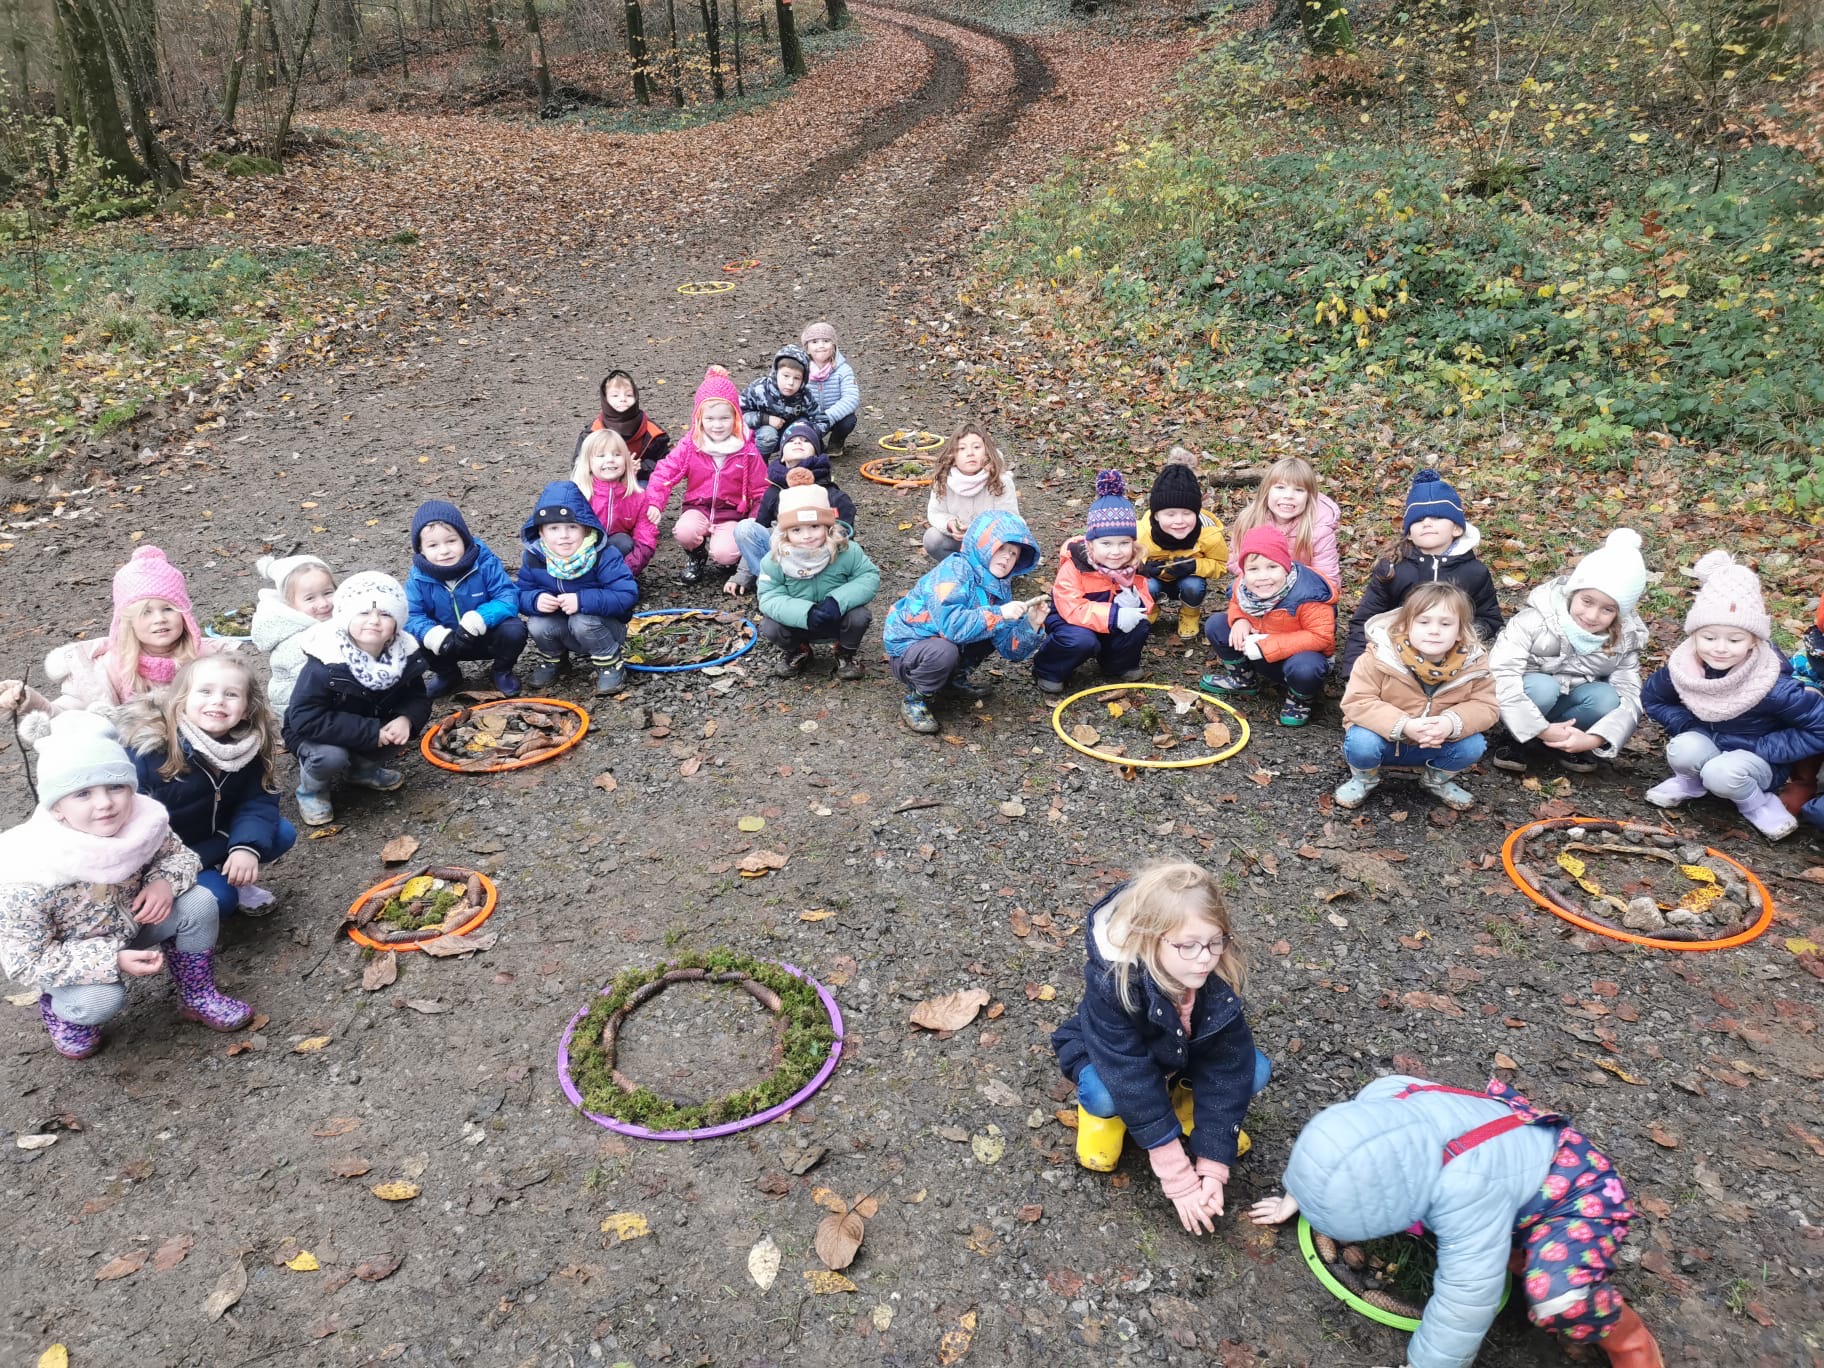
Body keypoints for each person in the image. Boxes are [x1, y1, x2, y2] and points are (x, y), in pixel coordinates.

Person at [1248, 1074, 1665, 1368]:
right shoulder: (1384, 1098)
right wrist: (1298, 1195)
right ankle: (1518, 1249)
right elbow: (1340, 1151)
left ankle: (1630, 1341)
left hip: (1575, 1195)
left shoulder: (1465, 1192)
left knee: (1556, 1295)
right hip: (1510, 1151)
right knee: (1485, 1237)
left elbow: (1465, 1300)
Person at [0, 712, 252, 1059]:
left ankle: (197, 993)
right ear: (57, 808)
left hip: (136, 921)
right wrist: (111, 959)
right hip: (77, 953)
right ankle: (64, 1012)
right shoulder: (29, 872)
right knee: (102, 1000)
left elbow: (180, 857)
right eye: (83, 793)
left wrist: (162, 881)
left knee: (199, 902)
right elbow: (24, 961)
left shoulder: (142, 822)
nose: (105, 803)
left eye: (116, 786)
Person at [1052, 861, 1271, 1235]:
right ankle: (1102, 1121)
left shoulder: (1215, 979)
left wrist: (1214, 1161)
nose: (1205, 956)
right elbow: (1129, 1074)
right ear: (1148, 939)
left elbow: (1227, 1068)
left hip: (1176, 1056)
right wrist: (1178, 1176)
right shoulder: (1114, 984)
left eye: (1215, 941)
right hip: (1116, 1063)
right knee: (1107, 1095)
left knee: (1254, 1069)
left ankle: (1185, 1105)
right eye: (1188, 945)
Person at [1639, 550, 1824, 841]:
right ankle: (1689, 782)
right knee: (1683, 748)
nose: (1720, 648)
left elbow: (1818, 727)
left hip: (1757, 760)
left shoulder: (1772, 683)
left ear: (1753, 640)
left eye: (1735, 639)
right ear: (1694, 636)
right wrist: (1687, 726)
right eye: (1709, 637)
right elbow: (1653, 697)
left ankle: (1758, 803)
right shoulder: (1684, 669)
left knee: (1722, 774)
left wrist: (1765, 747)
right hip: (1709, 743)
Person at [1, 546, 239, 738]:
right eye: (145, 612)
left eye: (168, 608)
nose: (159, 619)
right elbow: (68, 716)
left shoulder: (210, 660)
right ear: (127, 621)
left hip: (201, 759)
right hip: (131, 770)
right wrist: (31, 701)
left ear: (184, 614)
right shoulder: (108, 667)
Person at [123, 655, 294, 919]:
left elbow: (258, 799)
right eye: (205, 691)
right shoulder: (150, 753)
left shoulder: (248, 746)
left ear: (247, 708)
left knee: (281, 832)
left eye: (232, 694)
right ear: (181, 700)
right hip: (172, 855)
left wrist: (244, 847)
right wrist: (161, 874)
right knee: (219, 901)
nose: (218, 701)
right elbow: (132, 827)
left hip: (219, 838)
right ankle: (192, 899)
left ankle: (235, 875)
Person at [1488, 529, 1649, 774]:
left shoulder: (1625, 639)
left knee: (1606, 697)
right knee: (1544, 687)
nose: (1592, 616)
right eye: (1587, 601)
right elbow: (1500, 673)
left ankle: (1566, 742)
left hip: (1572, 705)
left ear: (1620, 613)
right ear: (1573, 592)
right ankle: (1519, 738)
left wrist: (1596, 738)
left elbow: (1630, 695)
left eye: (1607, 610)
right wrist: (1537, 727)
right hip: (1522, 704)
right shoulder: (1533, 621)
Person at [282, 572, 431, 827]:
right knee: (332, 756)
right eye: (363, 613)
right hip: (315, 734)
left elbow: (417, 696)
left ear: (397, 622)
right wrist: (372, 731)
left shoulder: (403, 655)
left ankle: (362, 770)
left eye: (385, 614)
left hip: (369, 723)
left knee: (398, 733)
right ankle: (312, 791)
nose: (374, 620)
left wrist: (406, 718)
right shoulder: (326, 661)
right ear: (345, 616)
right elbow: (304, 718)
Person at [1337, 581, 1499, 811]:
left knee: (1473, 745)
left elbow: (1486, 706)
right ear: (1405, 626)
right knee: (1361, 742)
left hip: (1436, 742)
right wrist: (1404, 725)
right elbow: (1358, 701)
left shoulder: (1475, 664)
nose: (1434, 630)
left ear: (1460, 631)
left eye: (1445, 623)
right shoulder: (1378, 657)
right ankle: (1364, 778)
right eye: (1424, 622)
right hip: (1385, 740)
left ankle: (1435, 780)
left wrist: (1449, 723)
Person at [883, 510, 1048, 734]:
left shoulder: (999, 587)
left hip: (945, 641)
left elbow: (1010, 651)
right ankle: (917, 698)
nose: (1007, 557)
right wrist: (999, 614)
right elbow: (951, 627)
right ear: (983, 544)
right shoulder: (954, 569)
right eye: (1001, 548)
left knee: (989, 627)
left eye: (1014, 553)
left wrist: (1031, 624)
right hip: (910, 647)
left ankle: (952, 680)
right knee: (945, 650)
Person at [1339, 468, 1502, 678]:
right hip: (1395, 656)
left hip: (1453, 658)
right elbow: (1365, 620)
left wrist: (1459, 633)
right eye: (1418, 519)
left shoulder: (1474, 572)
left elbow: (1490, 618)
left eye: (1436, 517)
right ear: (1408, 532)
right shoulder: (1393, 569)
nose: (1426, 523)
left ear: (1457, 529)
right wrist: (1353, 673)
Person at [1199, 525, 1336, 727]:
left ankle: (1299, 699)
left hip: (1294, 660)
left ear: (1286, 566)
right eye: (1253, 569)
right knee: (1217, 624)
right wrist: (1239, 620)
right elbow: (1236, 603)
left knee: (1307, 667)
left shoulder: (1310, 594)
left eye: (1272, 567)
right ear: (1244, 571)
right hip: (1257, 651)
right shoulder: (1243, 584)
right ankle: (1243, 679)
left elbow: (1321, 637)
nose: (1263, 576)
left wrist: (1268, 645)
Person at [645, 367, 768, 585]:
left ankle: (732, 559)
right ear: (699, 418)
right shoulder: (691, 445)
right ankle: (696, 555)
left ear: (736, 417)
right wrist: (655, 502)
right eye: (710, 418)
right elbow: (665, 471)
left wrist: (753, 520)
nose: (717, 425)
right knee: (684, 530)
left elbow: (761, 490)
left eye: (724, 418)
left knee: (724, 553)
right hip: (698, 508)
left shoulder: (747, 451)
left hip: (731, 514)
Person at [1032, 471, 1152, 694]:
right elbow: (1072, 608)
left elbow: (1148, 598)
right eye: (1106, 543)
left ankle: (1116, 663)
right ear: (1091, 544)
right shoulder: (1075, 565)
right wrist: (1115, 615)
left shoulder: (1135, 565)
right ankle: (1048, 668)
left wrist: (1137, 601)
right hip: (1070, 621)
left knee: (1140, 625)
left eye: (1124, 543)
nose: (1116, 552)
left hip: (1108, 621)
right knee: (1082, 640)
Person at [516, 480, 640, 694]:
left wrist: (582, 600)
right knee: (536, 622)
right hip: (564, 628)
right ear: (541, 532)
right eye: (554, 528)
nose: (563, 535)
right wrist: (535, 600)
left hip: (605, 627)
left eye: (572, 527)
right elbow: (519, 594)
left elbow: (627, 595)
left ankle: (610, 664)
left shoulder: (603, 554)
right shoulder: (535, 557)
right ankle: (556, 659)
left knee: (582, 619)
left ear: (585, 528)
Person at [755, 471, 880, 681]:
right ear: (785, 533)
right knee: (770, 625)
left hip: (835, 616)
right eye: (796, 529)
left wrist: (836, 601)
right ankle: (798, 650)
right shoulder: (774, 559)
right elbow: (768, 597)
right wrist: (805, 612)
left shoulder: (847, 550)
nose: (807, 535)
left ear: (828, 526)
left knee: (859, 616)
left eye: (814, 526)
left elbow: (868, 576)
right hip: (798, 622)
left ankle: (845, 652)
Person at [404, 500, 528, 699]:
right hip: (446, 642)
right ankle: (448, 674)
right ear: (421, 549)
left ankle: (501, 670)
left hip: (484, 635)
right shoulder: (418, 578)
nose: (444, 550)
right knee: (412, 639)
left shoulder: (485, 562)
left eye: (451, 541)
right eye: (433, 545)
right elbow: (410, 615)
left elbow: (508, 597)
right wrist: (432, 634)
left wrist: (481, 617)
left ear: (464, 539)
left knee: (514, 629)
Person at [729, 421, 858, 595]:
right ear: (781, 455)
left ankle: (808, 587)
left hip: (818, 556)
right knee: (746, 528)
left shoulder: (832, 495)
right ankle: (770, 584)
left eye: (806, 440)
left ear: (816, 452)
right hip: (781, 553)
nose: (798, 442)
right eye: (791, 440)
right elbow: (760, 527)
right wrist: (742, 574)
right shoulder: (774, 490)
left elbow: (844, 539)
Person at [1137, 459, 1227, 640]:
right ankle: (1149, 607)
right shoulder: (1140, 533)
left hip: (1187, 580)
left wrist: (1195, 566)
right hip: (1155, 579)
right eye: (1170, 514)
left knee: (1193, 585)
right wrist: (1143, 568)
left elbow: (1222, 565)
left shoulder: (1209, 534)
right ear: (1156, 515)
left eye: (1187, 513)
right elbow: (1124, 561)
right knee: (1147, 584)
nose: (1179, 521)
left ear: (1197, 512)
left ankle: (1190, 614)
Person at [1225, 455, 1342, 590]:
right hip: (1260, 585)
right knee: (1233, 589)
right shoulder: (1249, 520)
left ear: (1309, 497)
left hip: (1303, 591)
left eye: (1299, 490)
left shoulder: (1318, 529)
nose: (1289, 496)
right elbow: (1235, 559)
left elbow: (1328, 580)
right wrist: (1260, 579)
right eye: (1280, 487)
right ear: (1267, 490)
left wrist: (1285, 586)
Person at [249, 552, 336, 718]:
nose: (323, 603)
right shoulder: (295, 640)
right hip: (301, 712)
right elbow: (323, 679)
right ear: (290, 603)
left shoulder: (332, 621)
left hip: (329, 701)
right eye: (310, 598)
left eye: (328, 593)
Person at [923, 422, 1019, 562]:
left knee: (1013, 542)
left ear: (987, 452)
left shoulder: (1001, 480)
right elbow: (935, 512)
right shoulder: (943, 479)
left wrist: (982, 531)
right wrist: (951, 525)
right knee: (932, 539)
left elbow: (1010, 519)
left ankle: (996, 573)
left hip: (992, 543)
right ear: (953, 456)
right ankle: (962, 570)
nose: (970, 453)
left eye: (976, 447)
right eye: (962, 448)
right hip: (960, 542)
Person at [572, 429, 657, 580]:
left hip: (615, 552)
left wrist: (628, 568)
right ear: (588, 463)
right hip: (579, 553)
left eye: (617, 455)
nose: (610, 460)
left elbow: (646, 537)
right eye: (601, 455)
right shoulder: (577, 493)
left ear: (627, 460)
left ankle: (611, 576)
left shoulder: (638, 495)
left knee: (624, 542)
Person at [576, 368, 671, 482]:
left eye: (629, 395)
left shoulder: (652, 432)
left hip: (638, 483)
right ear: (605, 399)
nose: (622, 399)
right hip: (601, 486)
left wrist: (641, 468)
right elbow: (578, 467)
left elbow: (666, 466)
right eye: (615, 396)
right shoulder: (592, 432)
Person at [740, 345, 825, 457]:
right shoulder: (759, 389)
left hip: (793, 435)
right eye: (786, 376)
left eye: (797, 378)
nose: (790, 383)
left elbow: (821, 420)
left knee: (806, 429)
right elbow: (737, 414)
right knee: (768, 435)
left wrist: (805, 431)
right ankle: (760, 464)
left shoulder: (805, 395)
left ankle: (797, 466)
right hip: (762, 434)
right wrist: (765, 419)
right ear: (776, 373)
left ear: (804, 379)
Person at [800, 321, 860, 454]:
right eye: (814, 342)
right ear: (807, 348)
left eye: (826, 341)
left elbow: (852, 398)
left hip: (834, 416)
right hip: (810, 418)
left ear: (833, 345)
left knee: (848, 420)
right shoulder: (800, 370)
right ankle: (816, 444)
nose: (821, 345)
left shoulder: (843, 370)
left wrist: (828, 416)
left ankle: (836, 443)